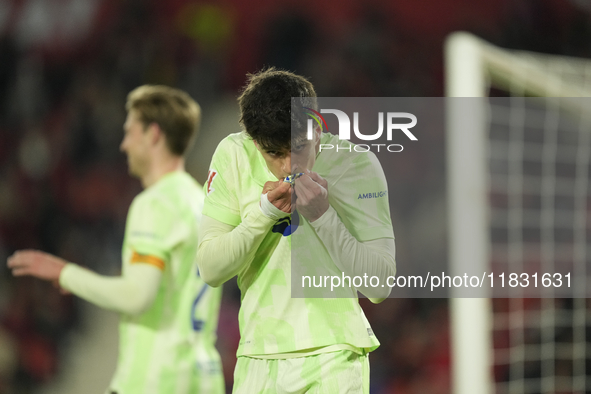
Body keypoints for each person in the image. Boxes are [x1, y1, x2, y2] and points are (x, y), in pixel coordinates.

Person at [7, 85, 225, 394]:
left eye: (130, 132)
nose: (123, 145)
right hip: (202, 376)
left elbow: (138, 295)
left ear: (153, 135)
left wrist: (65, 274)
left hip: (153, 378)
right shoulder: (203, 202)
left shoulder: (155, 203)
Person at [196, 68, 396, 393]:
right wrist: (264, 214)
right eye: (274, 154)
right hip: (258, 357)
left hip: (335, 353)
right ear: (253, 140)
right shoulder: (233, 154)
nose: (290, 166)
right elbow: (210, 269)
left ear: (317, 127)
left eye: (299, 147)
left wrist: (323, 217)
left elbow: (380, 284)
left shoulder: (357, 164)